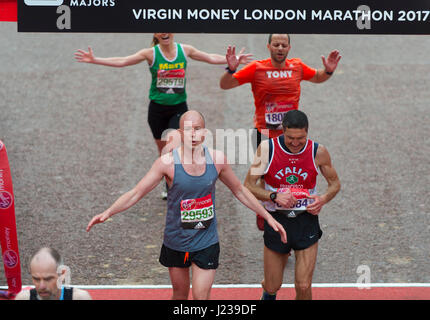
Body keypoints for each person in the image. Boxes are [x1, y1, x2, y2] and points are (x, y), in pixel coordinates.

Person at [86, 110, 287, 300]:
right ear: (180, 133)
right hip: (176, 241)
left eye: (198, 128)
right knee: (180, 294)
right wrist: (108, 212)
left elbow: (240, 190)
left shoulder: (217, 160)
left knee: (200, 295)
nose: (193, 134)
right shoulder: (166, 163)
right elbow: (136, 192)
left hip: (206, 241)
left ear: (205, 132)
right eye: (188, 129)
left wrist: (268, 216)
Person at [74, 33, 252, 192]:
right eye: (159, 30)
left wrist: (231, 60)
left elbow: (209, 57)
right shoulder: (150, 54)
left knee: (173, 146)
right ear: (155, 34)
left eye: (167, 29)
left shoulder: (185, 50)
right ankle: (169, 182)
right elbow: (123, 61)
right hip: (157, 110)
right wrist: (95, 59)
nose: (164, 33)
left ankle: (178, 185)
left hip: (179, 109)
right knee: (164, 153)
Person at [220, 33, 341, 229]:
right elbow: (225, 84)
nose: (280, 48)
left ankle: (289, 215)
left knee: (289, 176)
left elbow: (317, 77)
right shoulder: (256, 68)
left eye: (283, 45)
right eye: (275, 44)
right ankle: (266, 208)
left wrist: (327, 72)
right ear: (268, 46)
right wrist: (230, 68)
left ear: (289, 48)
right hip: (264, 133)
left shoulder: (297, 66)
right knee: (262, 177)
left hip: (290, 135)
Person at [244, 110, 341, 300]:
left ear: (307, 132)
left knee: (304, 285)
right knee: (273, 285)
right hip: (277, 221)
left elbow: (335, 184)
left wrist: (323, 199)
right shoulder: (267, 149)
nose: (295, 143)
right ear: (282, 131)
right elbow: (247, 185)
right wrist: (274, 196)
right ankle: (267, 291)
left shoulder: (318, 152)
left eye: (301, 138)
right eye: (290, 138)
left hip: (306, 221)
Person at [14, 247, 92, 300]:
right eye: (36, 279)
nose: (42, 286)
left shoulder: (79, 298)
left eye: (48, 279)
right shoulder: (24, 298)